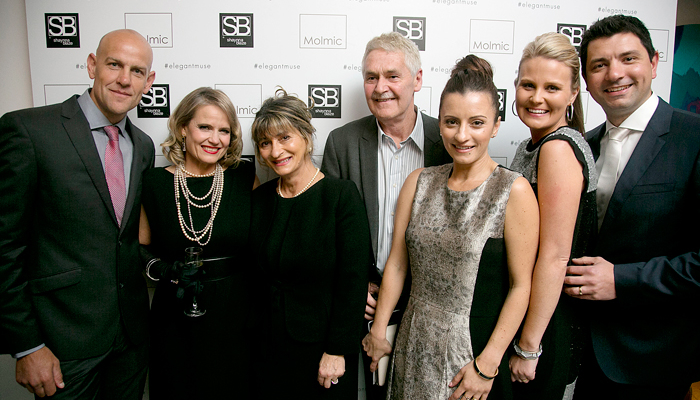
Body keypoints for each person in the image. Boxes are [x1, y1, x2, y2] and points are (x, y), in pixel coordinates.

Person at [363, 55, 540, 400]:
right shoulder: (419, 181)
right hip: (412, 340)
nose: (462, 135)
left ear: (495, 126)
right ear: (440, 124)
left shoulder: (513, 190)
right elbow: (397, 264)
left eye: (477, 123)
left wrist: (487, 364)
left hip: (470, 352)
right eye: (451, 122)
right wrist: (379, 330)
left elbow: (521, 286)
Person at [0, 29, 156, 398]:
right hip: (61, 344)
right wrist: (26, 345)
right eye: (114, 65)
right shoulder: (29, 130)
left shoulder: (144, 145)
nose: (124, 79)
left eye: (136, 71)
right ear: (92, 65)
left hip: (130, 342)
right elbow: (4, 245)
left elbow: (128, 238)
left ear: (148, 82)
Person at [561, 15, 700, 399]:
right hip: (582, 358)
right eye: (599, 65)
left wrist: (621, 279)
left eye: (628, 59)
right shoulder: (581, 146)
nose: (614, 74)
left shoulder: (693, 138)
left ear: (654, 63)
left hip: (653, 359)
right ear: (586, 80)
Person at [321, 32, 451, 398]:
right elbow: (328, 233)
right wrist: (356, 285)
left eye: (393, 76)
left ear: (417, 80)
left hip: (430, 306)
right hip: (365, 302)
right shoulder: (342, 143)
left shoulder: (448, 141)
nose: (380, 88)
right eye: (371, 77)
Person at [138, 87, 259, 399]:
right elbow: (139, 248)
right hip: (174, 317)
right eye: (204, 127)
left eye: (224, 131)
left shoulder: (244, 176)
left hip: (235, 316)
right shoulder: (154, 183)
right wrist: (165, 270)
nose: (214, 139)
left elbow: (262, 244)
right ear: (183, 128)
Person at [249, 88, 370, 399]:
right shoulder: (260, 199)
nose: (275, 151)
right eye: (265, 143)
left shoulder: (340, 196)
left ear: (306, 136)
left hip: (321, 353)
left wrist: (337, 350)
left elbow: (353, 280)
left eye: (284, 137)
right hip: (265, 349)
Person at [508, 32, 598, 400]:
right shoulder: (532, 144)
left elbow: (555, 256)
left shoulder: (557, 148)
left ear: (573, 94)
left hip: (548, 325)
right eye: (528, 85)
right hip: (535, 314)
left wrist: (529, 346)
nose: (537, 97)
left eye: (552, 88)